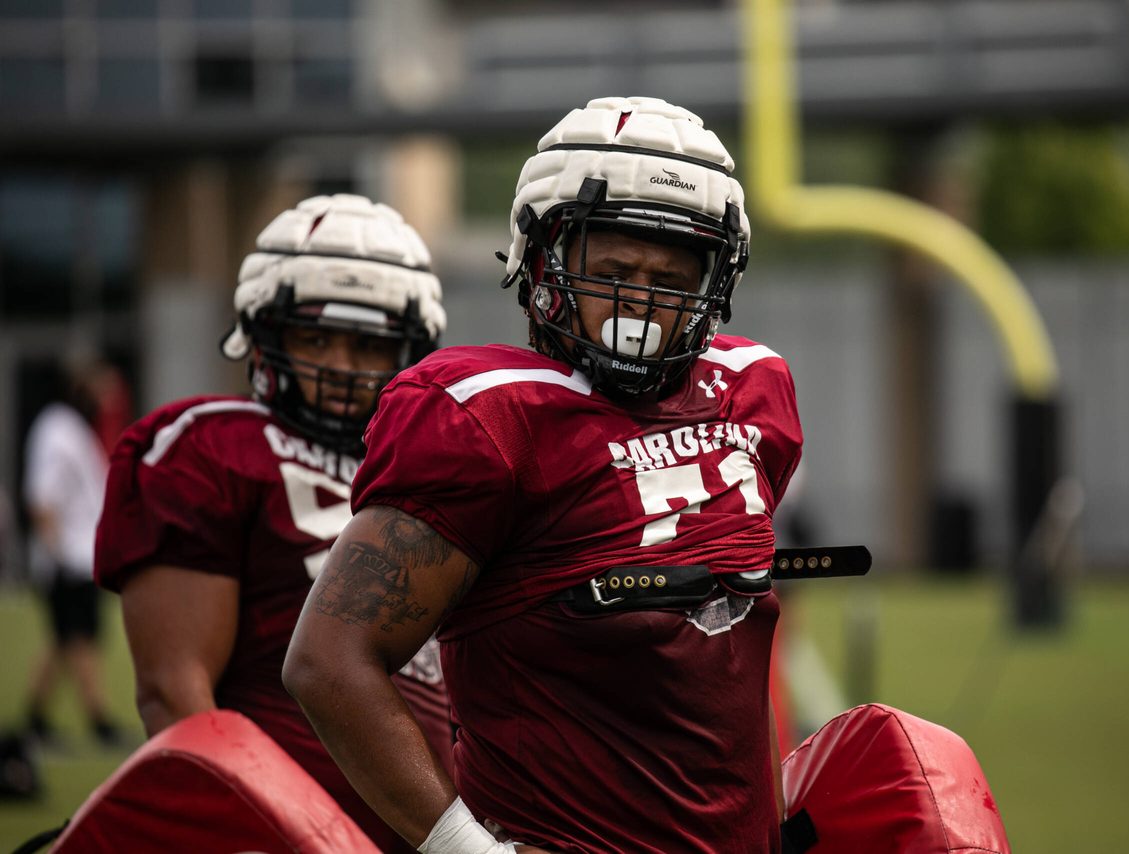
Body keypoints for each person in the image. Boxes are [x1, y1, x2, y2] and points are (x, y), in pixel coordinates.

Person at [285, 97, 802, 853]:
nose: (642, 302)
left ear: (715, 283)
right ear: (543, 260)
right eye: (614, 270)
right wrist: (467, 850)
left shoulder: (753, 391)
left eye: (671, 276)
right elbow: (329, 661)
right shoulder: (487, 417)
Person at [94, 194, 453, 852]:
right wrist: (240, 829)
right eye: (315, 337)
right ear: (262, 335)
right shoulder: (209, 445)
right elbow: (175, 692)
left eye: (369, 345)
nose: (342, 368)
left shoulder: (433, 467)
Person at [23, 352, 121, 745]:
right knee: (82, 638)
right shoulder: (58, 429)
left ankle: (35, 717)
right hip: (69, 559)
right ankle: (100, 719)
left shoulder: (73, 429)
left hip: (77, 555)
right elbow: (42, 498)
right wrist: (57, 555)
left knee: (64, 640)